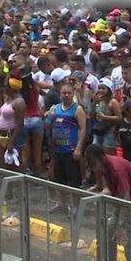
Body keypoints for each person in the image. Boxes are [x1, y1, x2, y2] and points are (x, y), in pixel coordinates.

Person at [85, 143, 131, 261]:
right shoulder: (105, 167)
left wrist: (120, 225)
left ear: (101, 158)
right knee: (108, 235)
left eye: (93, 162)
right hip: (124, 201)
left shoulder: (116, 167)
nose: (91, 166)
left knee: (129, 243)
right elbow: (113, 188)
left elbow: (126, 198)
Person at [45, 81, 87, 213]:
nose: (66, 95)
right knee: (59, 179)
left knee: (74, 180)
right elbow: (47, 125)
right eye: (63, 93)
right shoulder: (55, 108)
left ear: (73, 94)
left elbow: (83, 129)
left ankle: (76, 206)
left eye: (69, 93)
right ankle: (62, 204)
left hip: (71, 150)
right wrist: (47, 116)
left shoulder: (77, 109)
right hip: (57, 149)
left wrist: (79, 148)